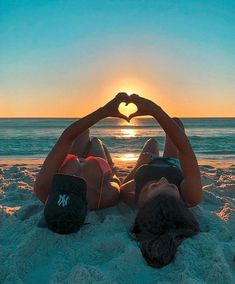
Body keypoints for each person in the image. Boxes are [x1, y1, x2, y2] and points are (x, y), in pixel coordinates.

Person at [120, 94, 202, 268]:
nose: (163, 180)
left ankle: (149, 154)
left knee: (151, 143)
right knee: (176, 123)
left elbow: (121, 187)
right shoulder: (191, 197)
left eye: (154, 186)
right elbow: (185, 149)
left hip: (147, 164)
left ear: (145, 199)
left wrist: (138, 166)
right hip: (173, 162)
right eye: (172, 186)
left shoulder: (136, 196)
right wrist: (154, 110)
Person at [34, 93, 130, 234]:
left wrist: (104, 111)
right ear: (85, 210)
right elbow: (114, 177)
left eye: (61, 192)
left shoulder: (42, 189)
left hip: (73, 157)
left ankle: (87, 148)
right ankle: (96, 147)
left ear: (47, 203)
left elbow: (67, 138)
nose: (68, 188)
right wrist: (108, 168)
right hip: (98, 163)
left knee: (83, 131)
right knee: (96, 142)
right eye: (72, 193)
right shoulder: (104, 198)